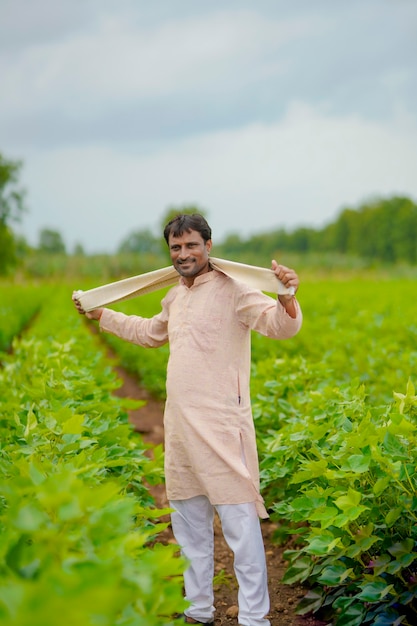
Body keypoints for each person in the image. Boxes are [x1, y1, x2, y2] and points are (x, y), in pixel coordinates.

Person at [73, 214, 302, 626]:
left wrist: (286, 297)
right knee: (191, 531)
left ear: (209, 245)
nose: (183, 254)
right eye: (176, 248)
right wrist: (102, 315)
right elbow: (150, 333)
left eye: (191, 245)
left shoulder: (236, 290)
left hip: (221, 428)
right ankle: (199, 611)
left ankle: (254, 618)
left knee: (241, 531)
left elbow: (280, 327)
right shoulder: (175, 297)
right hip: (179, 431)